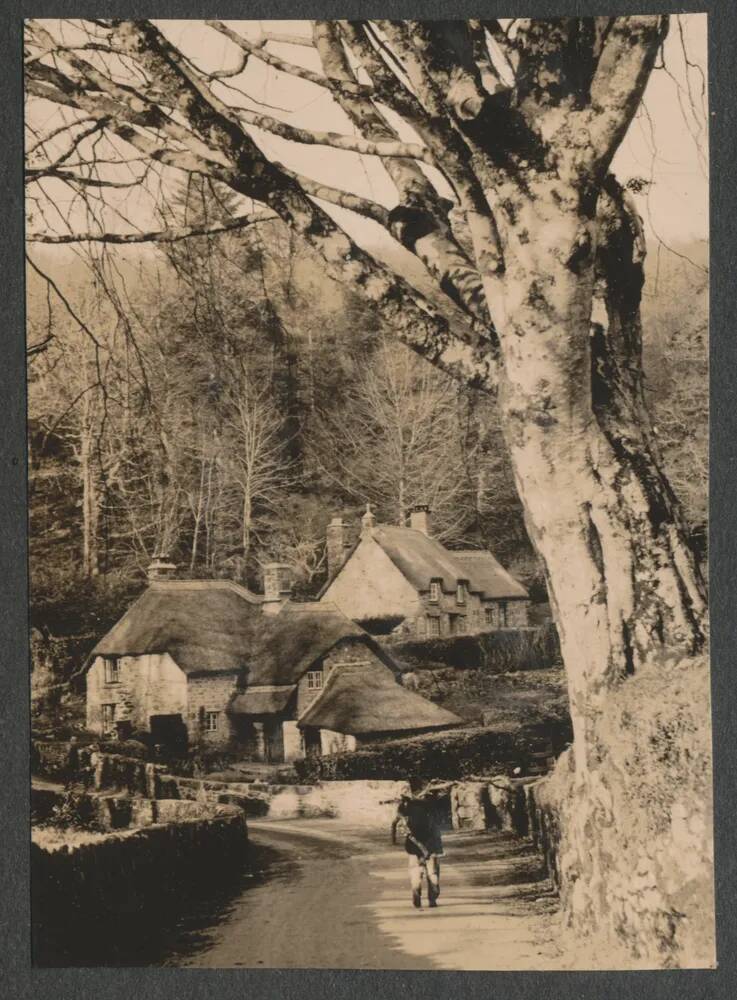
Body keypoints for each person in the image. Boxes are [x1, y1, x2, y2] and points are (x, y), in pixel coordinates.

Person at [391, 793, 443, 909]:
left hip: (413, 845)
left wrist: (394, 839)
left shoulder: (406, 809)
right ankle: (432, 899)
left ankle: (416, 891)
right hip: (431, 845)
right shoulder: (431, 809)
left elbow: (395, 824)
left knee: (415, 871)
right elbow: (436, 829)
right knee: (432, 872)